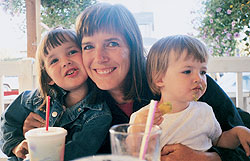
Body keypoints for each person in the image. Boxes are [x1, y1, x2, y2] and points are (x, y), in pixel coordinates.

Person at [22, 3, 249, 161]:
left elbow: (241, 142)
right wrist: (25, 137)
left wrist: (207, 158)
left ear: (133, 47)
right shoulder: (82, 105)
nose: (99, 57)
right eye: (89, 46)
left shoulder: (186, 81)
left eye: (112, 44)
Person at [0, 28, 112, 161]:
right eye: (54, 61)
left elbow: (78, 151)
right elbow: (8, 122)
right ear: (48, 78)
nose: (65, 62)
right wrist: (16, 145)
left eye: (72, 52)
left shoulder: (99, 115)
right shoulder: (35, 99)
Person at [129, 35, 250, 157]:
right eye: (187, 71)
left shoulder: (205, 111)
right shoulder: (143, 118)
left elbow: (218, 141)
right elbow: (131, 154)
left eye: (202, 72)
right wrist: (137, 130)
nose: (199, 78)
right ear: (160, 79)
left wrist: (237, 133)